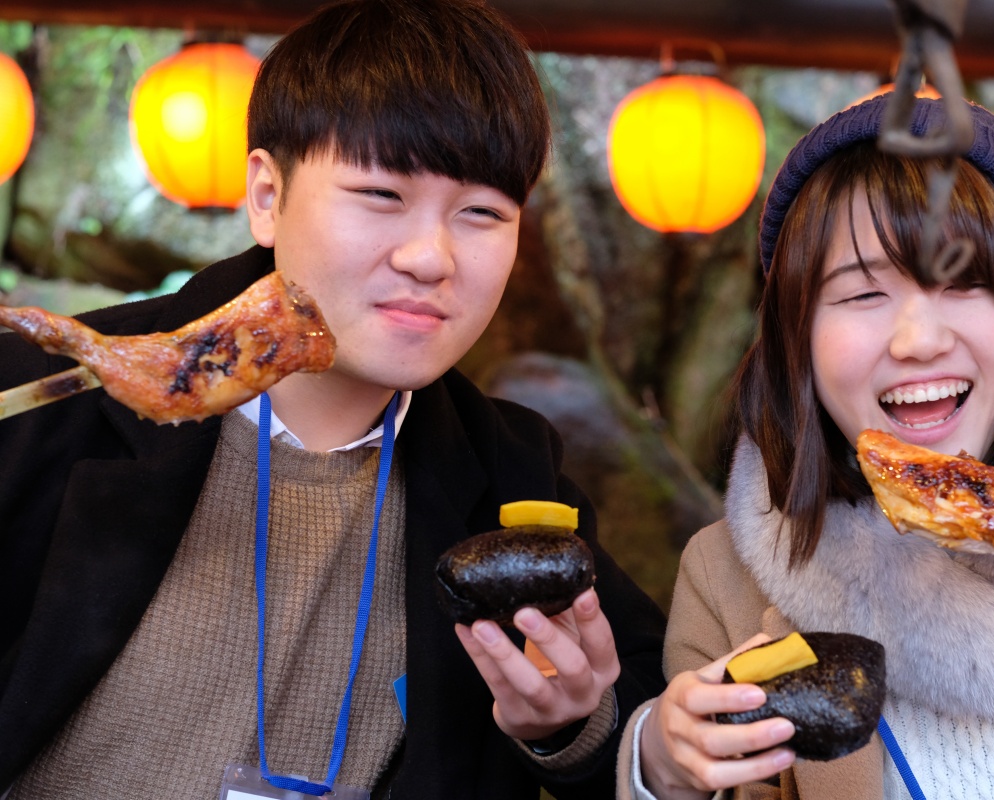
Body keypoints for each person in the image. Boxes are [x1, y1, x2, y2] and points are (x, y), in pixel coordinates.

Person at [0, 0, 667, 797]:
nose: (430, 257)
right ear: (266, 196)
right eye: (382, 195)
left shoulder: (512, 481)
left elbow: (646, 726)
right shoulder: (50, 399)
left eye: (483, 213)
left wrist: (565, 729)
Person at [616, 93, 994, 800]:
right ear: (796, 342)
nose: (918, 340)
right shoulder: (724, 582)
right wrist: (666, 770)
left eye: (964, 284)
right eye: (861, 294)